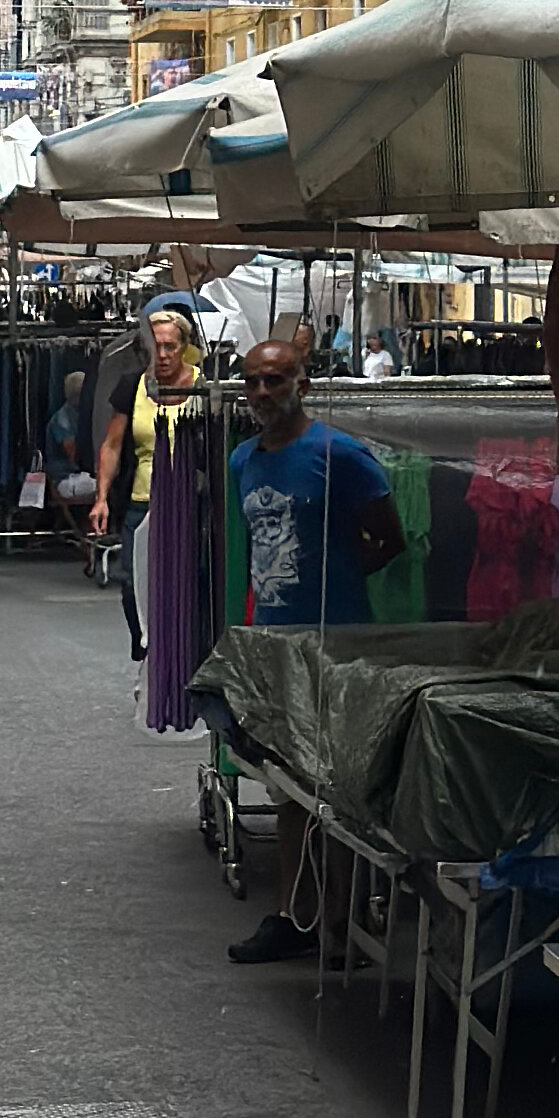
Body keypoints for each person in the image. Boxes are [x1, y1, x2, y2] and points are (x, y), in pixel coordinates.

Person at [224, 335, 400, 967]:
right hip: (276, 649)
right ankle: (297, 918)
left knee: (339, 790)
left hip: (336, 649)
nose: (263, 393)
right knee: (289, 790)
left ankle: (340, 922)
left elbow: (389, 539)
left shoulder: (341, 454)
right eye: (252, 382)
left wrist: (336, 586)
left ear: (302, 381)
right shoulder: (243, 460)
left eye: (275, 380)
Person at [92, 307, 199, 666]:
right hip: (141, 503)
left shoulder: (205, 386)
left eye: (170, 346)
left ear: (184, 346)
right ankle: (147, 653)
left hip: (190, 503)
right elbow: (112, 444)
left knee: (186, 585)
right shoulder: (132, 387)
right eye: (156, 348)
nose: (163, 355)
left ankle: (183, 655)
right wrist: (102, 497)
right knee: (132, 587)